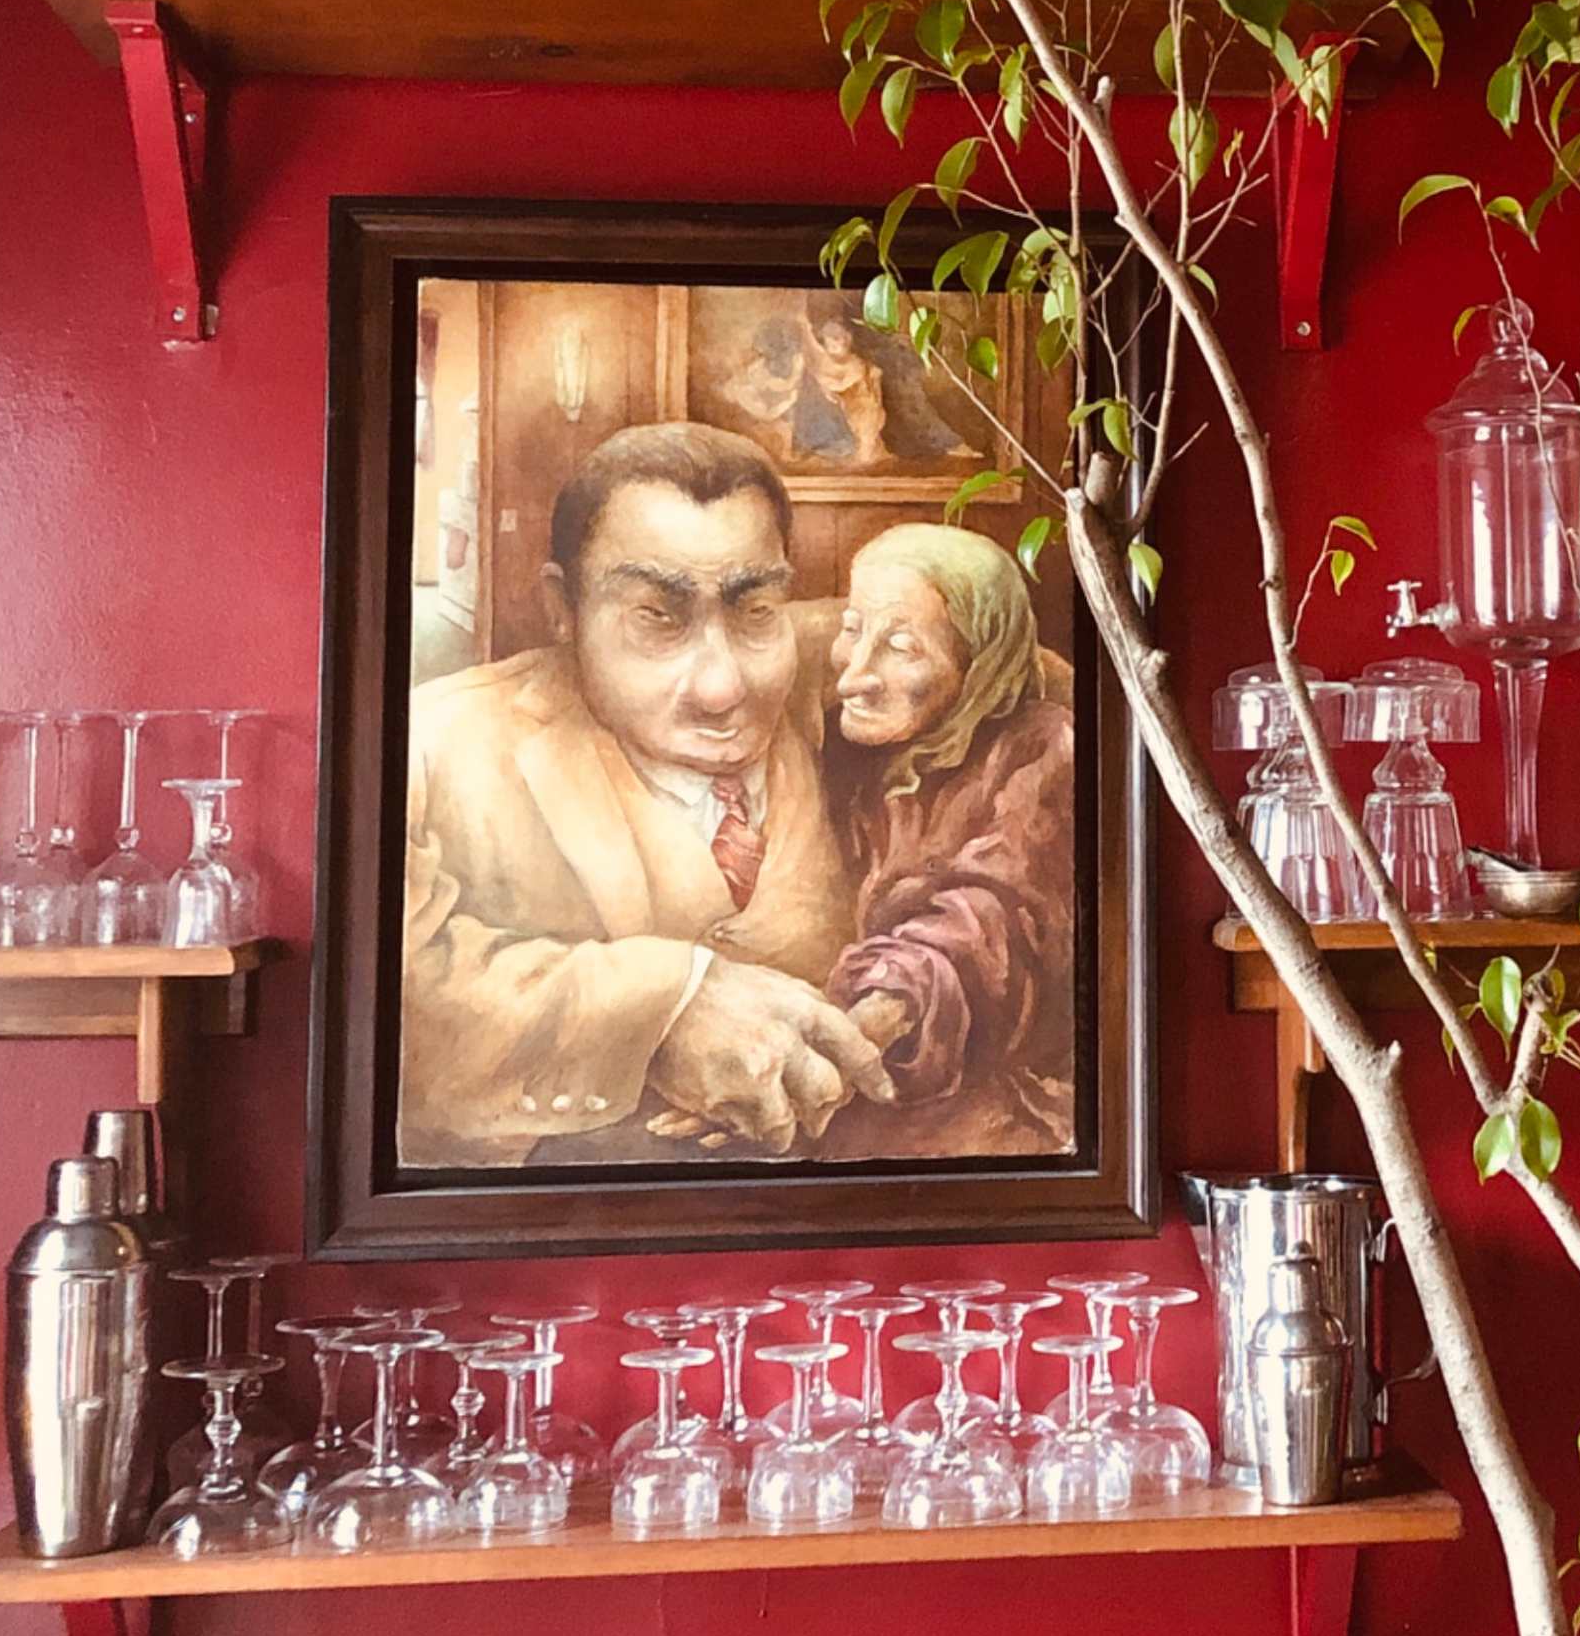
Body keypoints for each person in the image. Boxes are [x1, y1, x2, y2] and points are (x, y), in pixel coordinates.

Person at [398, 423, 891, 1166]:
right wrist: (666, 1008)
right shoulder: (429, 751)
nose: (723, 686)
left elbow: (1020, 675)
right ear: (564, 608)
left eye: (755, 611)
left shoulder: (847, 672)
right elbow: (390, 994)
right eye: (657, 618)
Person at [813, 522, 1080, 1160]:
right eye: (852, 628)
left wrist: (874, 1018)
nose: (856, 674)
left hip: (978, 1094)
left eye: (901, 645)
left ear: (978, 661)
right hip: (843, 1067)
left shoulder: (1044, 750)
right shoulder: (840, 746)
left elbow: (993, 917)